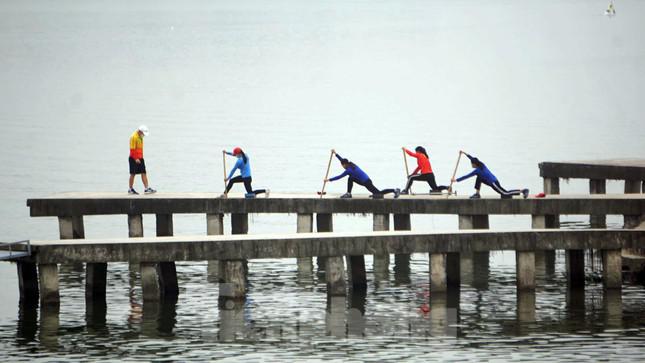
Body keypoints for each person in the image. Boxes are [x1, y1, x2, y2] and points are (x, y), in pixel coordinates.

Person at [451, 150, 528, 199]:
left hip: (493, 183)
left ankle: (523, 191)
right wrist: (464, 153)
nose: (471, 165)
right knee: (479, 178)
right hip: (492, 180)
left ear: (474, 164)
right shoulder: (481, 164)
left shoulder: (477, 170)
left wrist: (456, 180)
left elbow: (466, 176)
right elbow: (471, 158)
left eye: (471, 164)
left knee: (505, 194)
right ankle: (477, 194)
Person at [325, 150, 400, 199]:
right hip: (365, 181)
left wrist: (328, 180)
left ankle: (395, 190)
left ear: (344, 164)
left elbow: (339, 177)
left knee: (378, 194)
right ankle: (349, 193)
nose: (342, 166)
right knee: (351, 178)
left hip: (366, 182)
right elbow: (342, 160)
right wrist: (335, 154)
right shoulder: (350, 164)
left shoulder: (349, 170)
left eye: (342, 165)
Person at [128, 125, 156, 195]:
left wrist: (140, 157)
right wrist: (136, 158)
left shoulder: (140, 137)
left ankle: (146, 188)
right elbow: (132, 150)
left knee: (143, 172)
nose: (144, 135)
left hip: (140, 158)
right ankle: (130, 189)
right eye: (143, 133)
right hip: (133, 158)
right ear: (140, 131)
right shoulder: (133, 137)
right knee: (133, 174)